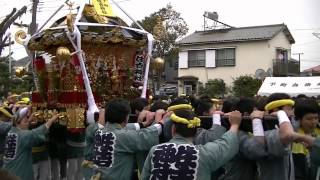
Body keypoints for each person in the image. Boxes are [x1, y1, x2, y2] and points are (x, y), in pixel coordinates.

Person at [141, 108, 242, 180]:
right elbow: (228, 144)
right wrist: (235, 124)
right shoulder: (204, 153)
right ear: (196, 130)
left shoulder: (155, 150)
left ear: (173, 128)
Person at [91, 98, 163, 180]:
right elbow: (146, 136)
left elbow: (126, 128)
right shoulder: (122, 136)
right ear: (126, 117)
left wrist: (144, 123)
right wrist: (161, 122)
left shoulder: (99, 132)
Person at [3, 107, 59, 180]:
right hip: (18, 176)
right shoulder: (23, 136)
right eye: (24, 119)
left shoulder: (11, 132)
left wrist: (27, 122)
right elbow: (37, 132)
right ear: (17, 122)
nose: (27, 119)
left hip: (8, 173)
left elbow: (22, 127)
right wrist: (51, 120)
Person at [292, 98, 320, 180]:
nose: (314, 122)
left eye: (316, 118)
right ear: (299, 119)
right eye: (309, 119)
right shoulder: (293, 135)